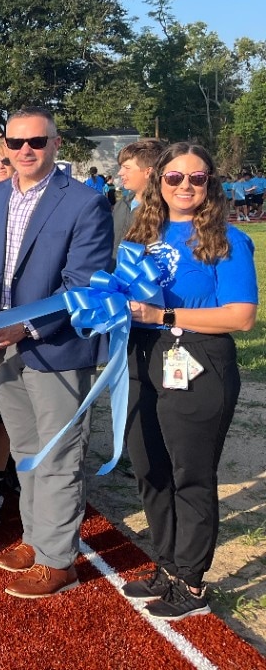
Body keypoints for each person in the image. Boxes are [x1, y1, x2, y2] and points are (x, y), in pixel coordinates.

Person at [0, 106, 113, 599]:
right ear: (3, 146)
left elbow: (83, 283)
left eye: (36, 142)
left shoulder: (86, 203)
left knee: (60, 455)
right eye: (15, 142)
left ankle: (57, 560)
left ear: (56, 143)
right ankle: (36, 537)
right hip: (1, 348)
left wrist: (25, 328)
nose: (25, 150)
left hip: (58, 347)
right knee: (26, 451)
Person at [120, 143, 257, 620]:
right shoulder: (142, 233)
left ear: (210, 184)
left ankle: (192, 582)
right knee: (150, 467)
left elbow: (241, 317)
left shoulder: (228, 239)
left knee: (190, 475)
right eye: (174, 177)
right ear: (158, 182)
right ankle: (168, 565)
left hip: (197, 359)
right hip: (143, 356)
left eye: (196, 178)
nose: (184, 186)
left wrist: (167, 313)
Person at [114, 138, 166, 247]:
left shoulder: (164, 211)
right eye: (121, 167)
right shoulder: (121, 204)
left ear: (148, 172)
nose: (120, 173)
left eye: (127, 168)